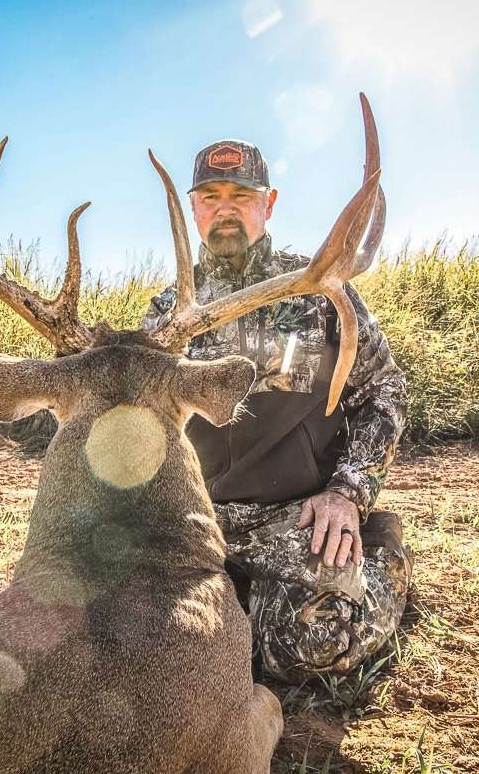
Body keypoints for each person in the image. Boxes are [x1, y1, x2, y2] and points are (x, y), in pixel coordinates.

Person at [142, 139, 412, 684]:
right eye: (211, 196)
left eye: (242, 195)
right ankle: (242, 598)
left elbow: (384, 393)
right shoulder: (164, 315)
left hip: (296, 517)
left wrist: (347, 493)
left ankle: (383, 557)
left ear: (268, 204)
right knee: (134, 636)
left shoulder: (322, 293)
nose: (225, 208)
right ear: (194, 208)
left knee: (309, 645)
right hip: (196, 523)